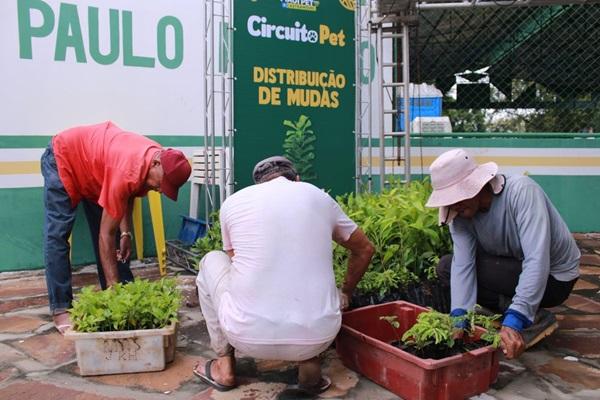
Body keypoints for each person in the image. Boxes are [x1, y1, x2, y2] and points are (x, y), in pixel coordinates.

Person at [193, 156, 374, 394]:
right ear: (296, 180)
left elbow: (236, 261)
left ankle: (224, 366)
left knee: (212, 259)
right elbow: (365, 249)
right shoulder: (317, 196)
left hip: (245, 334)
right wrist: (346, 292)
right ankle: (310, 368)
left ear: (259, 185)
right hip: (318, 335)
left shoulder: (234, 202)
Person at [425, 148, 580, 359]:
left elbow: (537, 260)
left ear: (477, 184)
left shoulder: (521, 192)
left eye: (458, 196)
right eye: (449, 199)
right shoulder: (459, 213)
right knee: (446, 267)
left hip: (554, 278)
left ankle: (529, 317)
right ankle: (519, 312)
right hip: (511, 265)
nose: (453, 205)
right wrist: (459, 316)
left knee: (517, 299)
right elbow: (463, 264)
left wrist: (516, 319)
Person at [41, 121, 191, 334]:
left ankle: (121, 289)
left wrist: (126, 233)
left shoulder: (156, 158)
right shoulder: (127, 168)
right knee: (58, 234)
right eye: (161, 184)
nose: (159, 189)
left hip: (96, 172)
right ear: (157, 164)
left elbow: (127, 194)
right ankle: (62, 307)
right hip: (63, 158)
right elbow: (106, 234)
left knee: (114, 236)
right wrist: (115, 297)